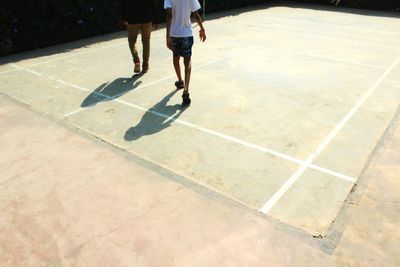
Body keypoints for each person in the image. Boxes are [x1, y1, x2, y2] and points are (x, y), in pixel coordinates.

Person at [164, 0, 206, 106]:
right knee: (187, 60)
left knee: (176, 57)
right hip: (187, 33)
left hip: (174, 34)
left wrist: (168, 36)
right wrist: (202, 29)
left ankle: (180, 81)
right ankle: (186, 89)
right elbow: (196, 15)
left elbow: (169, 15)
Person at [122, 0, 159, 73]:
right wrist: (156, 20)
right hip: (147, 18)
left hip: (132, 19)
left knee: (132, 41)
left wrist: (124, 18)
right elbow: (154, 4)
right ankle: (145, 65)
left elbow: (124, 4)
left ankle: (136, 60)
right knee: (146, 41)